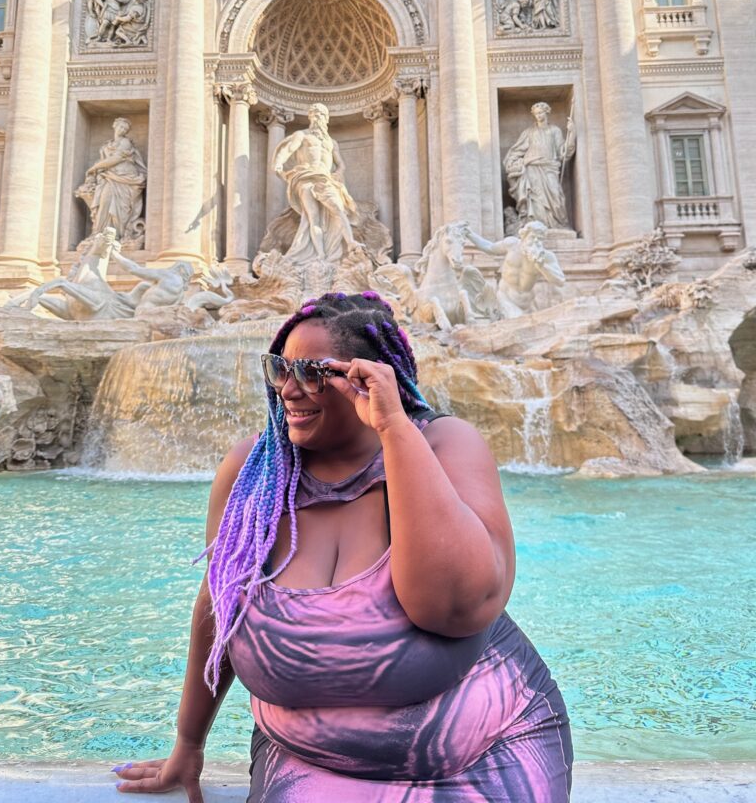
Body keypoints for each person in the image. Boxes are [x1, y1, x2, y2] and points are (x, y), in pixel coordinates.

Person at [111, 291, 573, 801]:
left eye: (311, 372)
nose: (289, 388)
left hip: (489, 753)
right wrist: (188, 744)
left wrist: (394, 427)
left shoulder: (443, 445)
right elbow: (218, 607)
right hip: (308, 763)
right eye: (279, 369)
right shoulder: (255, 473)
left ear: (370, 376)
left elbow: (455, 608)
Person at [272, 103, 359, 263]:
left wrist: (338, 172)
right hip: (305, 178)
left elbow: (340, 163)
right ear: (310, 117)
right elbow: (289, 149)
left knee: (339, 210)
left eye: (321, 114)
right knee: (313, 218)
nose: (318, 117)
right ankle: (320, 255)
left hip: (325, 179)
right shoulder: (302, 135)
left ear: (326, 119)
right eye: (315, 114)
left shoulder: (331, 142)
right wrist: (278, 163)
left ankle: (351, 242)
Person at [504, 102, 576, 229]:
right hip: (532, 168)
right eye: (536, 113)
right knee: (535, 198)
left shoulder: (555, 130)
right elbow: (516, 151)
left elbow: (563, 152)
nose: (538, 115)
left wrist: (572, 134)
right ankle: (537, 226)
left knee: (555, 196)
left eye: (541, 112)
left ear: (547, 112)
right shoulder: (528, 132)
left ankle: (557, 224)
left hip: (550, 167)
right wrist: (514, 163)